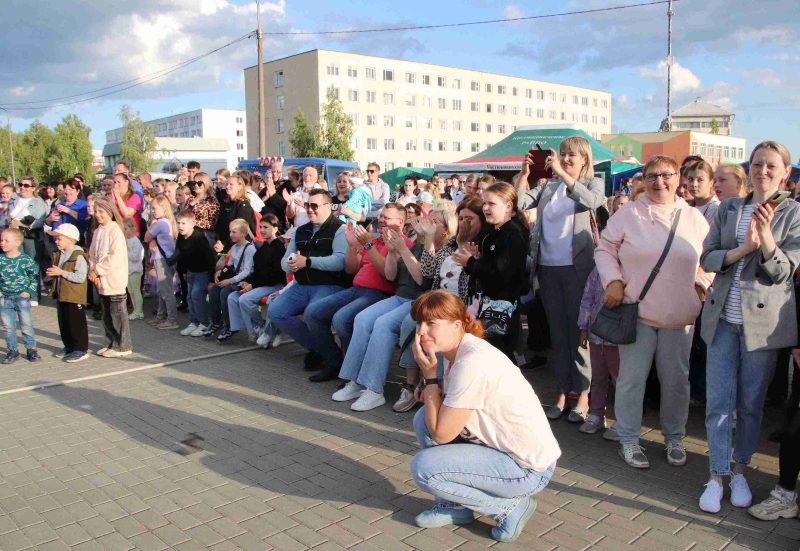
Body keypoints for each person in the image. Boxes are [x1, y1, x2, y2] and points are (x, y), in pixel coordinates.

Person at [409, 290, 560, 542]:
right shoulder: (454, 351)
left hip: (525, 469)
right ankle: (455, 506)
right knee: (423, 418)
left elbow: (442, 434)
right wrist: (432, 389)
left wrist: (431, 378)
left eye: (431, 323)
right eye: (419, 323)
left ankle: (509, 508)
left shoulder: (472, 362)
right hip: (499, 451)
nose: (421, 331)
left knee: (425, 468)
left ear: (457, 325)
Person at [698, 141, 800, 513]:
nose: (763, 171)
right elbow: (707, 257)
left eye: (772, 165)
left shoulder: (793, 214)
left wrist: (766, 240)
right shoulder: (728, 208)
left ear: (785, 172)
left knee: (751, 403)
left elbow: (782, 271)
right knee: (718, 402)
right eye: (757, 164)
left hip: (763, 328)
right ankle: (716, 475)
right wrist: (744, 249)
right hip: (723, 319)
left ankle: (741, 470)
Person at [595, 155, 712, 469]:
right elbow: (604, 248)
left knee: (676, 382)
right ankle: (629, 439)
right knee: (632, 380)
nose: (659, 182)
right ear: (644, 179)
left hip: (679, 315)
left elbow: (710, 259)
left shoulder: (694, 218)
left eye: (666, 175)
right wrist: (614, 281)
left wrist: (701, 285)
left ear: (678, 178)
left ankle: (674, 437)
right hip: (638, 311)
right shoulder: (629, 213)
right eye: (652, 176)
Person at [517, 136, 606, 422]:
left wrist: (564, 175)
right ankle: (562, 388)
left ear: (585, 159)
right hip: (548, 268)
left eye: (572, 155)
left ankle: (582, 393)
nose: (566, 158)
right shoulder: (548, 186)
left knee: (579, 333)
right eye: (563, 154)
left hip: (578, 269)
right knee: (558, 334)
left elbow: (592, 202)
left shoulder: (592, 184)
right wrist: (524, 175)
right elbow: (519, 202)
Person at [302, 204, 409, 381]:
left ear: (401, 222)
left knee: (341, 319)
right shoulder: (375, 240)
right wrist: (352, 245)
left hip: (378, 294)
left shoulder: (402, 243)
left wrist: (367, 244)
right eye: (381, 216)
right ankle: (335, 362)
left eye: (387, 218)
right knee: (312, 313)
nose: (381, 220)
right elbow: (351, 269)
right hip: (356, 290)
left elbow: (387, 275)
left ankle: (353, 370)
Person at [333, 224, 426, 411]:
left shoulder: (432, 248)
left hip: (419, 301)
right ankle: (355, 380)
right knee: (362, 318)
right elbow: (391, 276)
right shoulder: (416, 245)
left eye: (434, 221)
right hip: (400, 297)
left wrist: (401, 249)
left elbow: (421, 280)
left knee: (383, 324)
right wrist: (392, 252)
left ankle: (374, 389)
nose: (424, 224)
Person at [267, 190, 348, 377]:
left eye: (314, 206)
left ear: (328, 207)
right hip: (302, 284)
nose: (309, 210)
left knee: (313, 314)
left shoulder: (340, 229)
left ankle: (332, 361)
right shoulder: (301, 230)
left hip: (329, 284)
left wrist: (308, 261)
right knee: (276, 311)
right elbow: (285, 262)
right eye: (307, 206)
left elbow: (339, 261)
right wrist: (291, 264)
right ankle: (323, 349)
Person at [452, 183, 527, 358]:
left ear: (508, 206)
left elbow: (501, 276)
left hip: (501, 313)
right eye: (484, 203)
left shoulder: (511, 234)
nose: (485, 208)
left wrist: (470, 263)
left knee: (496, 359)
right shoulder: (494, 230)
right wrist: (476, 260)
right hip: (486, 307)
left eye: (491, 204)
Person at [227, 214, 286, 341]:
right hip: (261, 283)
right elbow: (257, 272)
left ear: (275, 229)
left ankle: (261, 326)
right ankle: (254, 329)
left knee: (244, 300)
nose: (262, 230)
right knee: (232, 297)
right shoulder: (263, 247)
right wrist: (246, 282)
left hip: (274, 285)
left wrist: (252, 285)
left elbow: (275, 275)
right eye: (260, 227)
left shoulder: (279, 248)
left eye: (266, 227)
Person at [88, 198, 132, 358]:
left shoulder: (115, 231)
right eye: (96, 211)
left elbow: (115, 257)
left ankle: (123, 345)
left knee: (117, 315)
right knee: (107, 314)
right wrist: (92, 269)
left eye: (101, 212)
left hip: (114, 280)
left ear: (110, 212)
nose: (98, 215)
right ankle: (111, 342)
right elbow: (92, 253)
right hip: (101, 280)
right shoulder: (98, 230)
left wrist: (98, 270)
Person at [45, 223, 89, 363]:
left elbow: (80, 277)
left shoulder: (78, 256)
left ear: (70, 239)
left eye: (59, 238)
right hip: (62, 294)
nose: (56, 241)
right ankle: (69, 346)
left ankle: (80, 349)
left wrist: (61, 273)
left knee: (76, 323)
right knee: (64, 323)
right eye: (56, 239)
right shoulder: (60, 254)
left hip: (73, 296)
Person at [206, 219, 255, 340]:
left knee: (224, 293)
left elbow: (247, 271)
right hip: (234, 278)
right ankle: (216, 322)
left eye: (234, 232)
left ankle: (229, 327)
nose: (231, 234)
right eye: (230, 232)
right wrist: (220, 274)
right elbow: (229, 266)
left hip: (244, 281)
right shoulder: (234, 247)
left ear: (243, 234)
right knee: (213, 291)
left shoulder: (249, 249)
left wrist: (229, 281)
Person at [0, 228, 40, 364]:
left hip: (21, 297)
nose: (2, 243)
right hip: (4, 298)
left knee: (26, 324)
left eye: (6, 240)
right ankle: (12, 350)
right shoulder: (0, 259)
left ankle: (31, 349)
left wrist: (29, 291)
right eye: (1, 240)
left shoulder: (25, 260)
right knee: (8, 326)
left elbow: (34, 276)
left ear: (17, 243)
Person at [176, 210, 217, 338]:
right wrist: (183, 271)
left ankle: (204, 323)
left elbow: (210, 258)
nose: (180, 226)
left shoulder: (199, 237)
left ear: (192, 224)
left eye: (184, 223)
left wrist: (211, 278)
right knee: (189, 296)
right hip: (190, 271)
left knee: (196, 295)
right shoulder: (181, 237)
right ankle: (194, 322)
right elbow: (181, 255)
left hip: (202, 272)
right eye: (179, 223)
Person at [7, 176, 48, 296]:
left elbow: (40, 221)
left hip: (31, 236)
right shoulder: (14, 198)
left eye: (26, 185)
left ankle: (34, 295)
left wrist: (21, 224)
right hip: (16, 235)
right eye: (21, 184)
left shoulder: (38, 201)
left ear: (33, 188)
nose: (22, 187)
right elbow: (10, 215)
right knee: (17, 264)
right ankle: (19, 292)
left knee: (32, 265)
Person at [144, 195, 179, 330]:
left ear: (163, 208)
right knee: (162, 289)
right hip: (165, 258)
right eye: (151, 208)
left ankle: (172, 319)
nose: (152, 211)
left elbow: (147, 237)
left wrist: (151, 227)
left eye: (154, 208)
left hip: (162, 259)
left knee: (166, 290)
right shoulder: (167, 222)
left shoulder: (160, 223)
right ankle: (161, 315)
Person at [215, 174, 256, 251]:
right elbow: (220, 225)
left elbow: (240, 230)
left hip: (239, 246)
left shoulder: (243, 205)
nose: (227, 187)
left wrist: (225, 245)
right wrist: (219, 241)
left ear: (240, 186)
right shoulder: (225, 204)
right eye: (227, 184)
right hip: (225, 244)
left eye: (231, 184)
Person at [187, 172, 220, 245]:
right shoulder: (190, 199)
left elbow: (212, 223)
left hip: (204, 236)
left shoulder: (212, 200)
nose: (196, 185)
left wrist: (192, 223)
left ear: (206, 184)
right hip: (188, 234)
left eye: (199, 183)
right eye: (194, 183)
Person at [122, 219, 144, 321]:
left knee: (136, 291)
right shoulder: (125, 240)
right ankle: (136, 310)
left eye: (125, 229)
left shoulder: (136, 241)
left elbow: (136, 257)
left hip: (135, 270)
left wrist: (124, 253)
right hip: (128, 270)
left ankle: (139, 311)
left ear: (132, 229)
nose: (124, 231)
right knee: (130, 291)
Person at [685, 160, 719, 225]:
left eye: (700, 180)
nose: (694, 184)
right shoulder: (687, 206)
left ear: (711, 182)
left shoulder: (715, 209)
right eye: (690, 179)